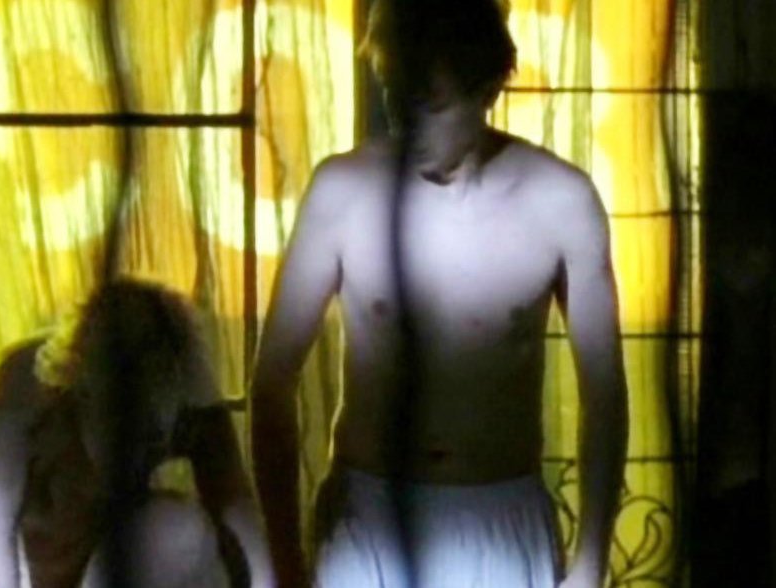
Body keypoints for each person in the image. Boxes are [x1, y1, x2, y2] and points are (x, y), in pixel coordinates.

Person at [249, 1, 628, 587]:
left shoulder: (561, 202)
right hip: (368, 520)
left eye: (430, 103)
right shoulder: (342, 191)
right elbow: (273, 382)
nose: (407, 123)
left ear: (488, 89)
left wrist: (590, 563)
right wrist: (283, 560)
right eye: (395, 95)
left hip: (500, 518)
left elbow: (604, 398)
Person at [0, 278, 274, 588]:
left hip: (106, 558)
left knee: (177, 532)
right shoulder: (7, 411)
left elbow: (236, 510)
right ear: (78, 395)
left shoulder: (189, 391)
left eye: (150, 438)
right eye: (121, 425)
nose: (137, 456)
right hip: (9, 562)